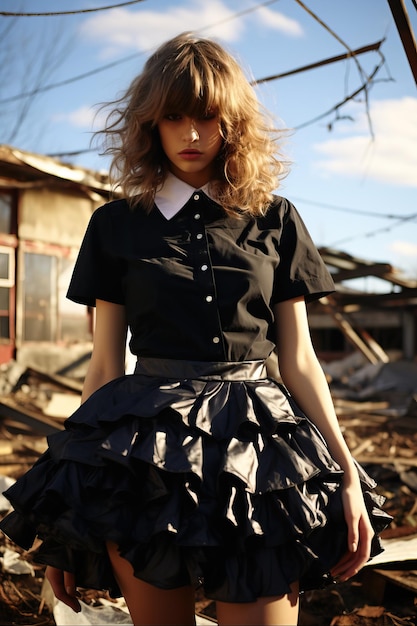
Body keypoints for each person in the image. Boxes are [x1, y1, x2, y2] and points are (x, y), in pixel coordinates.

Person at [0, 33, 391, 626]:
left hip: (261, 457)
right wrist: (70, 519)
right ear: (150, 124)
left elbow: (302, 361)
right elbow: (104, 367)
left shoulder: (275, 219)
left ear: (231, 123)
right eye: (174, 117)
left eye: (207, 117)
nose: (190, 134)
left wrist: (346, 477)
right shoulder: (114, 226)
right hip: (144, 462)